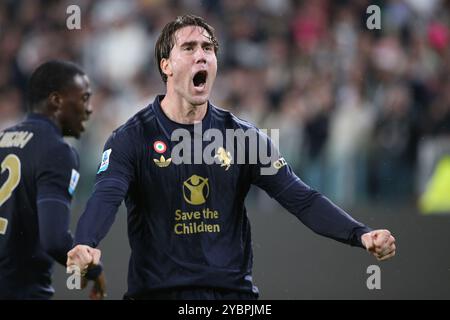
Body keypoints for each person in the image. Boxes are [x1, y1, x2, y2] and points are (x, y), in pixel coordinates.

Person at [67, 15, 396, 300]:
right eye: (189, 48)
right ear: (165, 65)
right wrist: (85, 242)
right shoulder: (131, 138)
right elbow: (105, 195)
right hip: (156, 294)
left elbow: (302, 199)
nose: (202, 56)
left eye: (208, 48)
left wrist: (360, 234)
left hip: (233, 297)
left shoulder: (244, 138)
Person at [0, 60, 105, 300]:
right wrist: (94, 270)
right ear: (57, 101)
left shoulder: (2, 139)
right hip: (20, 290)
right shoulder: (57, 151)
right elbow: (55, 240)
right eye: (83, 98)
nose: (89, 109)